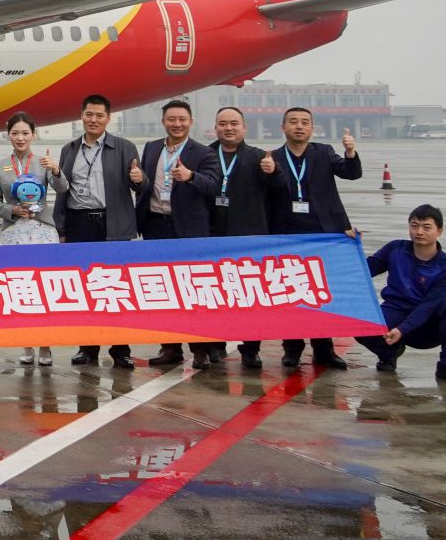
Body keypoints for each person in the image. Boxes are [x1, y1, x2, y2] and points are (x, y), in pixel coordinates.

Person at [267, 107, 363, 370]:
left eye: (304, 122)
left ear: (312, 128)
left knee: (321, 294)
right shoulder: (273, 157)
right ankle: (292, 348)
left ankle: (324, 349)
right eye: (293, 122)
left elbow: (351, 173)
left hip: (323, 234)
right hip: (287, 234)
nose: (299, 126)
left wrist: (350, 152)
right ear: (283, 127)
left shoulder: (324, 152)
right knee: (290, 293)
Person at [52, 93, 143, 369]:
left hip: (113, 223)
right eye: (89, 114)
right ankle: (87, 348)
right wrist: (62, 228)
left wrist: (138, 179)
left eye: (99, 115)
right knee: (85, 287)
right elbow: (63, 191)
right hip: (80, 223)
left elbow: (140, 185)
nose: (93, 120)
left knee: (116, 288)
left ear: (108, 118)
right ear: (81, 116)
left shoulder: (124, 147)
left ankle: (121, 350)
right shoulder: (69, 149)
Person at [132, 99, 224, 370]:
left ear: (190, 122)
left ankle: (200, 350)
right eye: (171, 119)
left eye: (182, 119)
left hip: (188, 230)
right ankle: (170, 348)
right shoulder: (151, 148)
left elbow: (214, 185)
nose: (177, 124)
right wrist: (136, 180)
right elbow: (145, 185)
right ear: (163, 122)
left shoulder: (204, 153)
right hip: (155, 226)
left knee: (193, 291)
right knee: (162, 291)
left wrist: (191, 176)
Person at [356, 206, 446, 384]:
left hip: (426, 325)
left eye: (426, 227)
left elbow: (428, 306)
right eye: (414, 225)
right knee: (358, 320)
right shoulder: (395, 249)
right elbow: (363, 271)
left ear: (439, 231)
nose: (419, 232)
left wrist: (402, 329)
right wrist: (353, 246)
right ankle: (389, 353)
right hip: (394, 312)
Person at [206, 106, 280, 370]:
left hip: (249, 238)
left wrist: (273, 172)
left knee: (250, 297)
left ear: (244, 127)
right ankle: (214, 345)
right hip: (212, 237)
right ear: (215, 128)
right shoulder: (205, 155)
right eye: (223, 123)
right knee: (214, 295)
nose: (229, 128)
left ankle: (251, 349)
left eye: (234, 123)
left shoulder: (259, 157)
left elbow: (278, 190)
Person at [0, 111, 59, 366]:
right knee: (21, 289)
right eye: (15, 133)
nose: (20, 138)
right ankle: (27, 344)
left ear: (33, 135)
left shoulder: (43, 162)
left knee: (45, 289)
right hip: (14, 231)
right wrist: (12, 210)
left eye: (25, 133)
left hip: (43, 230)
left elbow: (63, 189)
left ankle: (46, 345)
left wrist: (56, 170)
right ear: (8, 135)